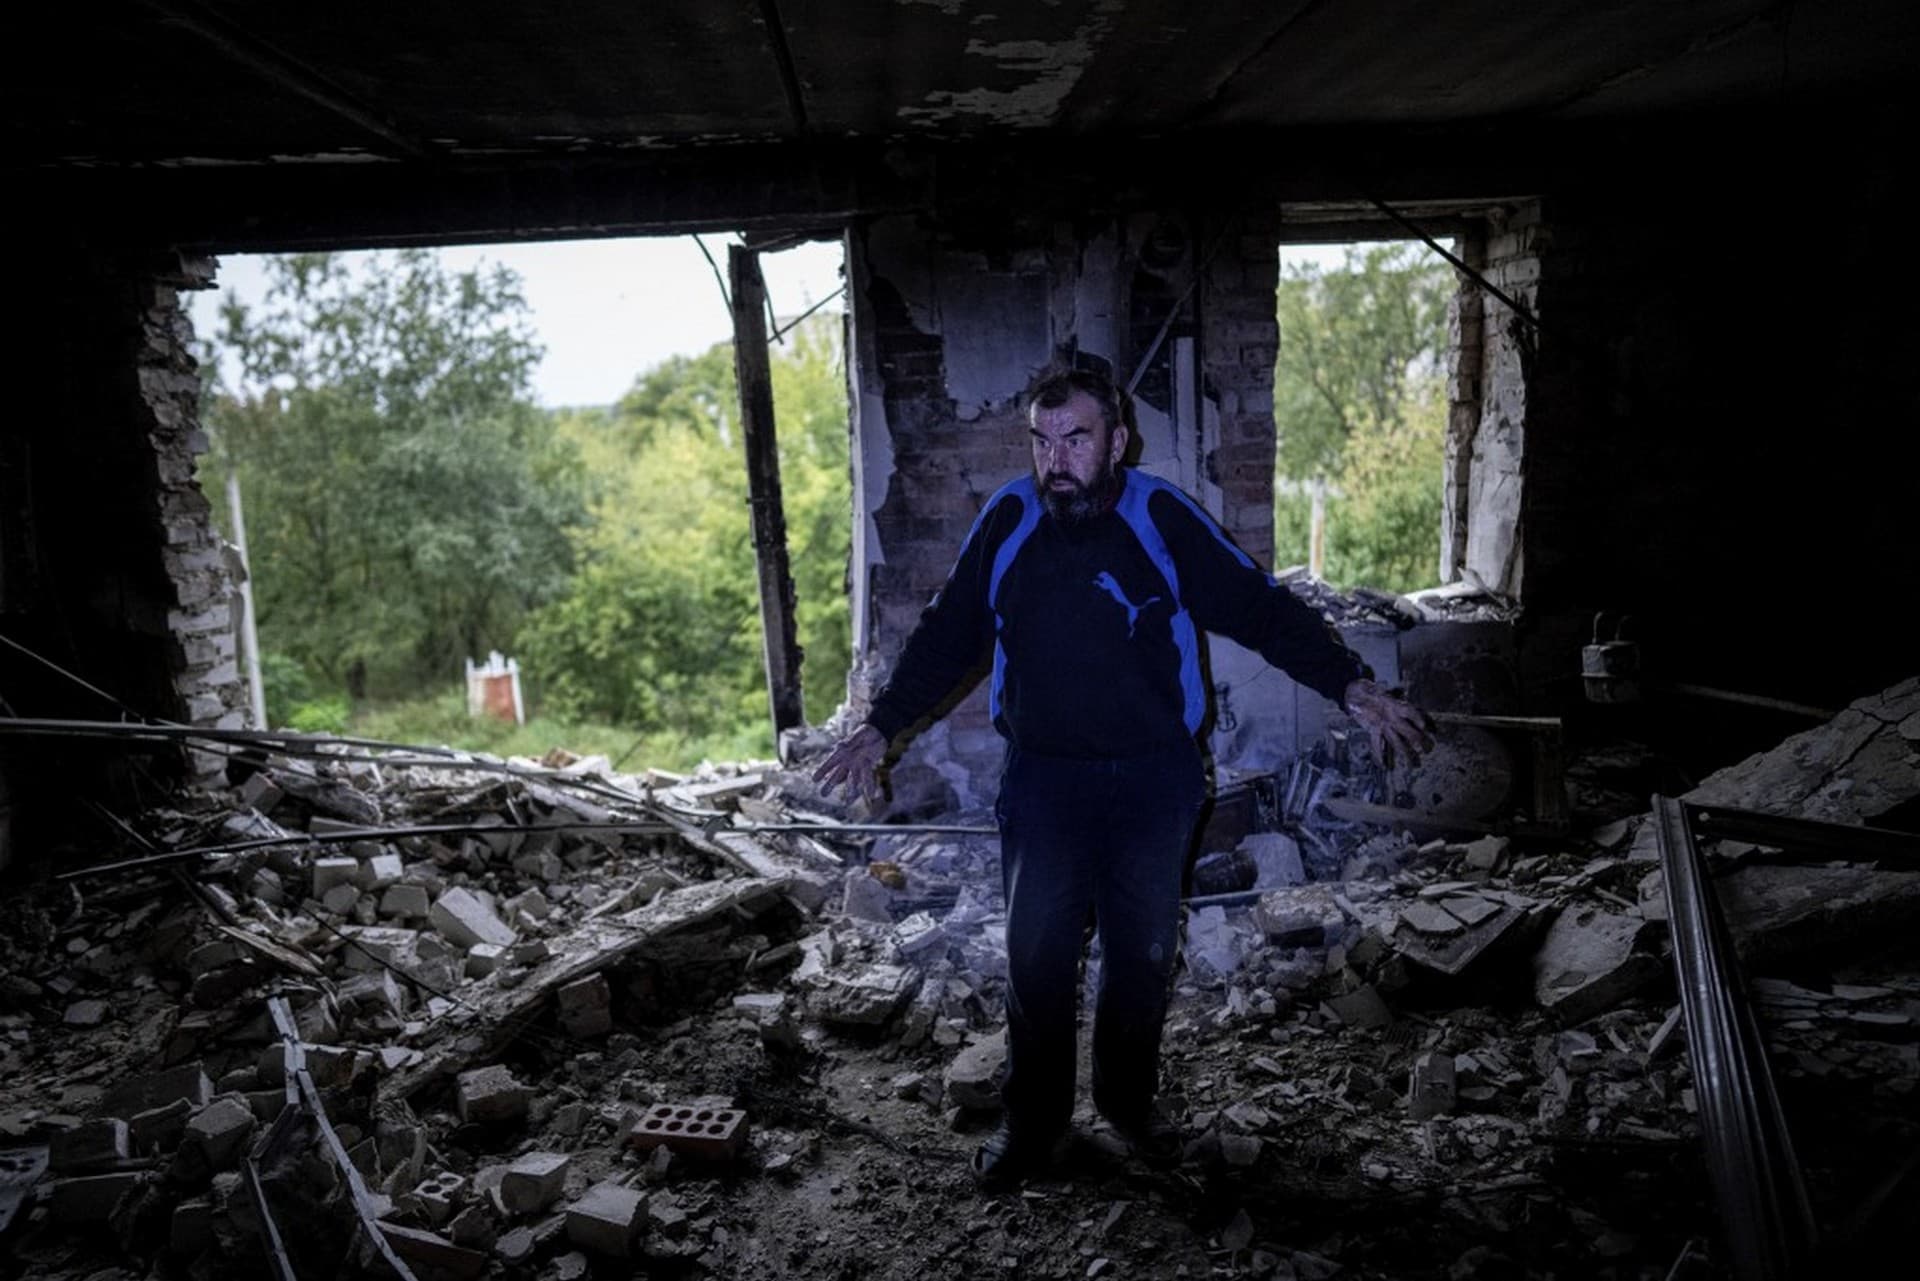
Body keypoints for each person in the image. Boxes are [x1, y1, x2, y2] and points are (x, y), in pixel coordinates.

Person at [814, 367, 1433, 1189]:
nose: (1055, 459)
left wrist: (1348, 683)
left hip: (1154, 781)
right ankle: (1034, 1124)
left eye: (1074, 438)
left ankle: (1128, 1107)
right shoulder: (1008, 518)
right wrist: (881, 726)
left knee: (1141, 956)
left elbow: (1260, 606)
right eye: (1041, 440)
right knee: (1036, 958)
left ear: (1117, 441)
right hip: (1043, 782)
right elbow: (947, 633)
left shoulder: (1158, 516)